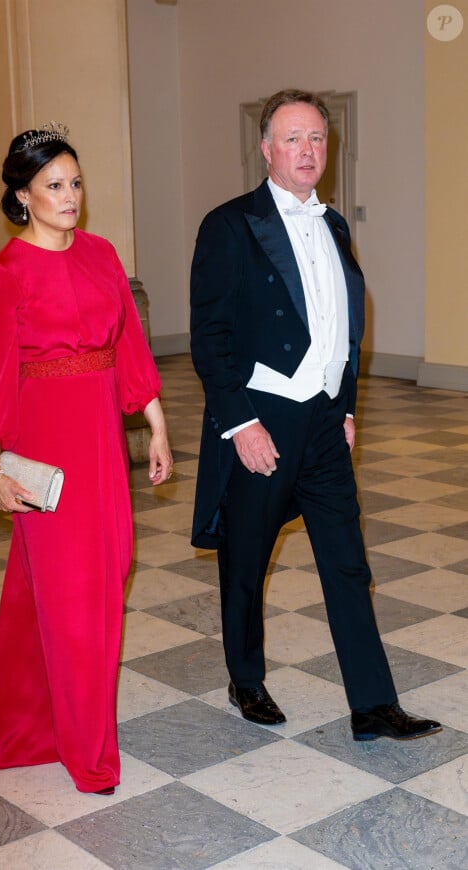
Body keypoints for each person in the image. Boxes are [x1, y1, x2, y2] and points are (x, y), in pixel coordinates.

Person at [0, 122, 173, 793]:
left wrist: (157, 426)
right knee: (79, 599)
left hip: (103, 448)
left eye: (75, 182)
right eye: (54, 185)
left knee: (68, 589)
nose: (69, 195)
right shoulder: (4, 275)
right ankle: (89, 756)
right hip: (45, 450)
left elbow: (129, 349)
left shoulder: (103, 255)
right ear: (22, 196)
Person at [190, 90, 441, 741]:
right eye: (293, 138)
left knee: (347, 561)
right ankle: (246, 679)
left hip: (325, 422)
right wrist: (239, 424)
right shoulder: (230, 224)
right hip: (262, 419)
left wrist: (347, 405)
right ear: (267, 149)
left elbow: (342, 326)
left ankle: (373, 704)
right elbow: (210, 337)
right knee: (246, 560)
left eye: (317, 139)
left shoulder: (333, 224)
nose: (308, 151)